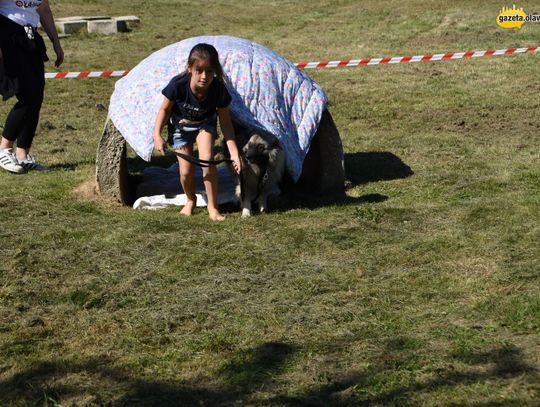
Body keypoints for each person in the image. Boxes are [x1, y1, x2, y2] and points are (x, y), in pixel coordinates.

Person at [153, 43, 241, 221]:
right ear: (190, 68)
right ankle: (190, 200)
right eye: (199, 70)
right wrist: (157, 135)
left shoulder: (218, 89)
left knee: (207, 161)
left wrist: (234, 153)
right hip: (179, 127)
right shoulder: (178, 84)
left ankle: (213, 207)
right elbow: (164, 110)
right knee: (186, 172)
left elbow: (225, 123)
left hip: (204, 125)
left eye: (209, 71)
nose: (204, 76)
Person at [0, 0, 64, 174]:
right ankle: (4, 148)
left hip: (30, 36)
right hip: (7, 35)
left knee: (37, 97)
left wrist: (56, 43)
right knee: (29, 96)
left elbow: (44, 10)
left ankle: (22, 154)